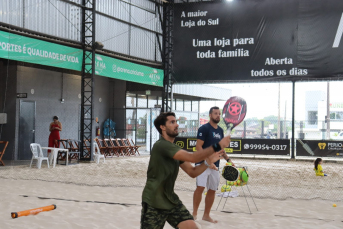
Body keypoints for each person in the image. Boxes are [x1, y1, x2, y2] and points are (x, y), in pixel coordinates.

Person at [141, 112, 231, 229]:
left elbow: (192, 172)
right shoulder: (161, 145)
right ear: (162, 127)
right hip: (154, 201)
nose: (177, 125)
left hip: (170, 200)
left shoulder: (174, 149)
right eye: (172, 122)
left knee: (192, 227)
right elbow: (193, 157)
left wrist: (208, 162)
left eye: (176, 122)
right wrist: (217, 146)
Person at [192, 106, 235, 224]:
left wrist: (228, 159)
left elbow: (220, 148)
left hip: (215, 164)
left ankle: (206, 215)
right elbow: (198, 147)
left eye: (219, 114)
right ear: (210, 115)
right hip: (202, 164)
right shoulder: (204, 128)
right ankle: (194, 214)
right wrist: (207, 161)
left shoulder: (220, 130)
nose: (218, 116)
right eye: (215, 113)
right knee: (200, 188)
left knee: (212, 190)